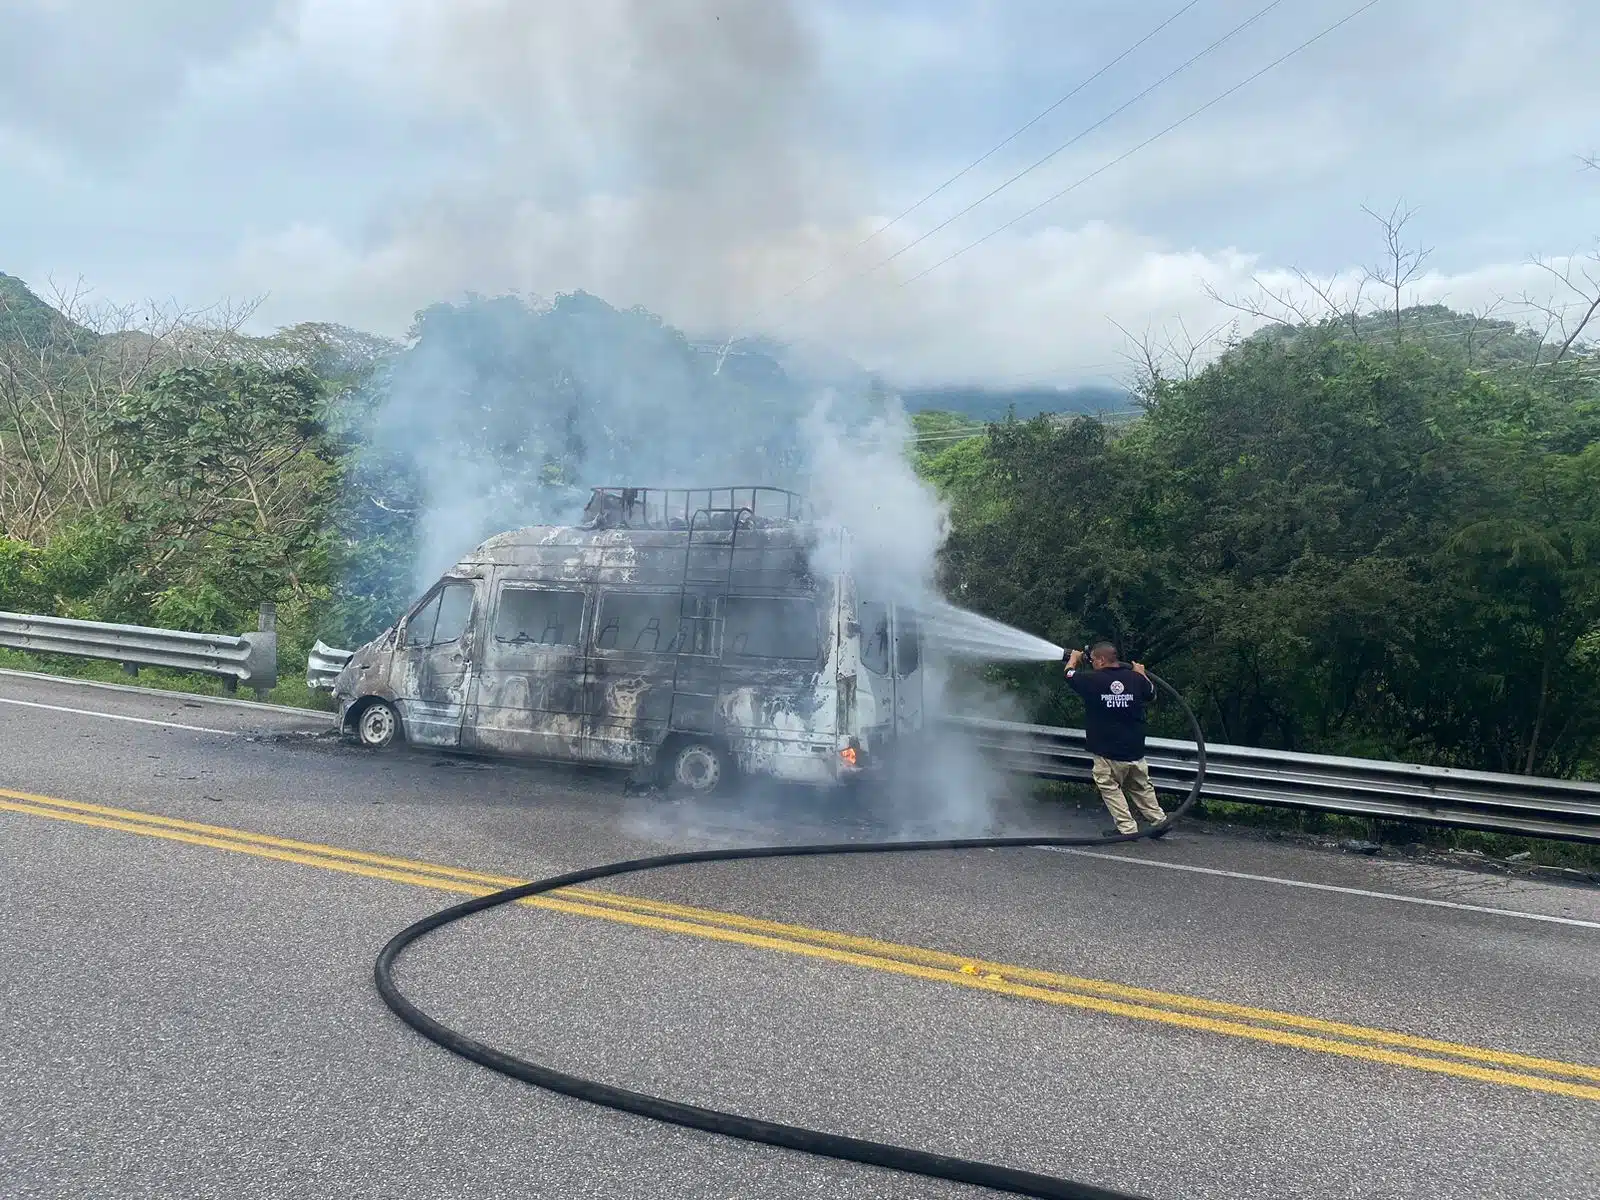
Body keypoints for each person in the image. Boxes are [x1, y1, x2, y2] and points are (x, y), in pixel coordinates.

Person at [1064, 641, 1169, 837]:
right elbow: (1152, 694)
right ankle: (1159, 822)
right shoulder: (1135, 678)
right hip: (1135, 749)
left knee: (1109, 787)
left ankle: (1127, 829)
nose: (1092, 663)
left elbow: (1069, 675)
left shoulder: (1092, 680)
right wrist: (1141, 673)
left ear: (1102, 660)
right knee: (1140, 787)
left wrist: (1073, 660)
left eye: (1094, 659)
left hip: (1107, 750)